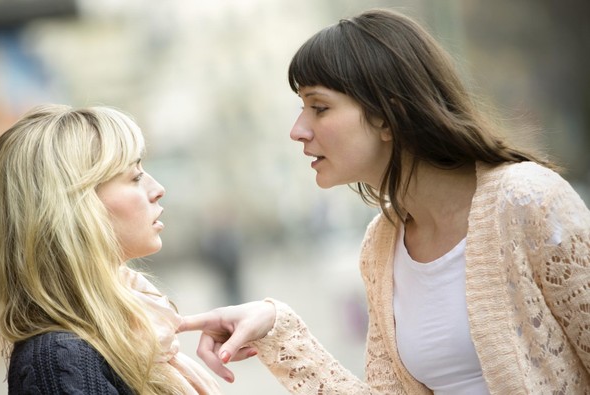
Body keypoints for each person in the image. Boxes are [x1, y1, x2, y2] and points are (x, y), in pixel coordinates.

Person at [178, 8, 590, 394]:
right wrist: (275, 328)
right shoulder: (382, 245)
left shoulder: (528, 201)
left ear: (388, 117)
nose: (298, 130)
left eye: (319, 107)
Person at [0, 104, 223, 395]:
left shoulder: (136, 328)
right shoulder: (58, 363)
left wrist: (272, 324)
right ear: (75, 207)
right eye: (135, 177)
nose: (158, 189)